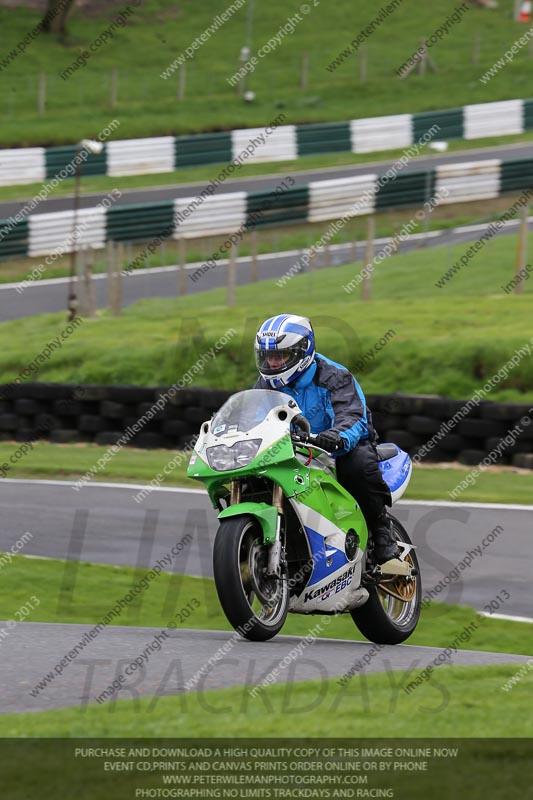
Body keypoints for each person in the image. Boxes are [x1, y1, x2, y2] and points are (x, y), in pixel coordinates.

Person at [254, 313, 397, 564]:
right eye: (268, 357)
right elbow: (253, 417)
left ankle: (382, 529)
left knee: (357, 464)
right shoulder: (265, 385)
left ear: (302, 351)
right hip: (290, 448)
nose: (273, 363)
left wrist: (336, 436)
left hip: (337, 446)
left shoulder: (334, 376)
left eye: (280, 356)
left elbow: (352, 415)